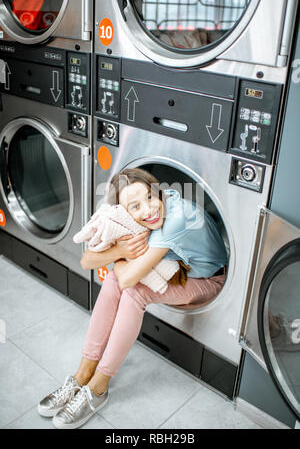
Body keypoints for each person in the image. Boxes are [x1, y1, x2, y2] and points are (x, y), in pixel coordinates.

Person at [38, 168, 228, 429]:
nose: (149, 209)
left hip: (210, 281)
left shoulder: (174, 219)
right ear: (123, 213)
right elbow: (86, 261)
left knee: (133, 291)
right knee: (115, 278)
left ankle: (98, 387)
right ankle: (81, 376)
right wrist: (119, 250)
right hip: (181, 270)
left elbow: (128, 279)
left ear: (158, 190)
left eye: (150, 197)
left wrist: (120, 255)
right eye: (135, 206)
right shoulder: (135, 219)